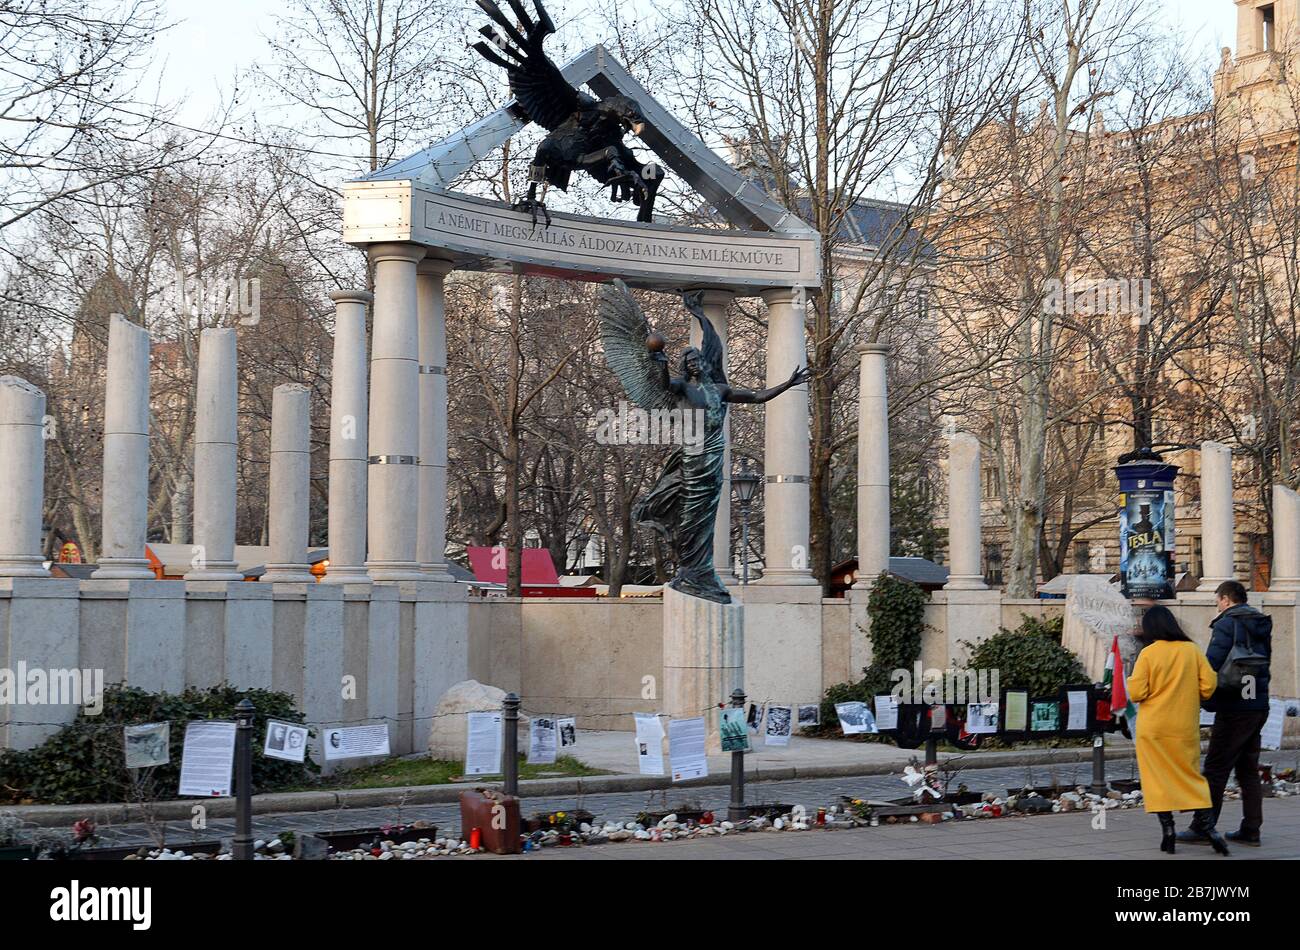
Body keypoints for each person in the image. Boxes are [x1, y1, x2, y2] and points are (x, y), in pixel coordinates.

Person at [1127, 605, 1228, 855]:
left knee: (1157, 780)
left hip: (1153, 729)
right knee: (1191, 776)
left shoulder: (1148, 654)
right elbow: (1209, 686)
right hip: (1184, 726)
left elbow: (1138, 692)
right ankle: (1210, 828)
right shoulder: (1191, 650)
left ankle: (1168, 831)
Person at [1178, 580, 1272, 847]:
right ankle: (1251, 829)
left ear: (1226, 600)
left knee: (1216, 768)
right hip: (1256, 703)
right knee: (1248, 769)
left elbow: (1211, 666)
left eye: (1218, 600)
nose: (1217, 605)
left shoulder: (1226, 623)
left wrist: (1202, 694)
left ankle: (1202, 826)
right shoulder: (1261, 623)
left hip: (1233, 706)